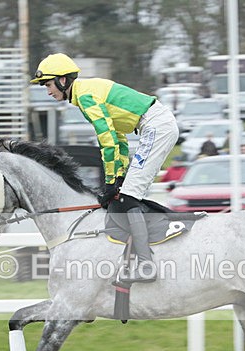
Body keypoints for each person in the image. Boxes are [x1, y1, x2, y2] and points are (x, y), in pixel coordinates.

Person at [31, 53, 179, 282]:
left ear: (63, 80)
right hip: (155, 125)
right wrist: (118, 175)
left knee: (128, 197)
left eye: (48, 85)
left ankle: (146, 265)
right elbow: (119, 138)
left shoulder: (86, 96)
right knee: (125, 195)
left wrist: (111, 181)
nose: (48, 91)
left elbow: (107, 140)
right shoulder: (84, 93)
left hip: (156, 126)